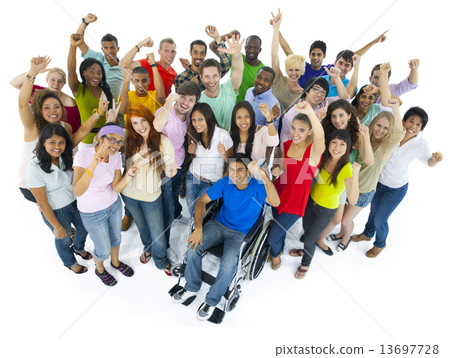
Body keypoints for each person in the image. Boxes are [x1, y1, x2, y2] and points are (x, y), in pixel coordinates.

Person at [171, 153, 280, 321]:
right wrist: (198, 228)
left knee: (229, 264)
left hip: (240, 233)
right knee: (192, 247)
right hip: (219, 224)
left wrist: (264, 175)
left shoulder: (258, 187)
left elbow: (276, 202)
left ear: (248, 172)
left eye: (240, 170)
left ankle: (212, 300)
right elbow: (201, 202)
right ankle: (192, 286)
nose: (235, 174)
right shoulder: (225, 183)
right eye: (232, 170)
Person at [351, 106, 443, 257]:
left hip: (396, 188)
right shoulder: (393, 134)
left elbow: (429, 162)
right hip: (379, 182)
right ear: (403, 121)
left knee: (381, 218)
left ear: (421, 128)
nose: (413, 126)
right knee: (373, 211)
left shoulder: (421, 144)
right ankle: (367, 233)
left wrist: (435, 159)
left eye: (418, 124)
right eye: (411, 121)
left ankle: (380, 244)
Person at [18, 56, 109, 202]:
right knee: (52, 213)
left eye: (56, 107)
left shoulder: (63, 126)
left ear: (62, 109)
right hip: (32, 186)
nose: (52, 111)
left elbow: (79, 134)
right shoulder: (33, 126)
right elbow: (22, 104)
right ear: (39, 109)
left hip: (57, 183)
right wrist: (33, 72)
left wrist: (98, 113)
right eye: (46, 107)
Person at [332, 98, 405, 252]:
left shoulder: (387, 145)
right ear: (373, 124)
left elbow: (398, 132)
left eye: (386, 128)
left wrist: (396, 108)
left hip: (364, 190)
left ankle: (346, 238)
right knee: (341, 216)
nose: (380, 130)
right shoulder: (363, 136)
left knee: (346, 219)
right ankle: (340, 234)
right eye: (378, 125)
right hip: (349, 184)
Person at [288, 130, 360, 278]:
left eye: (342, 144)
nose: (337, 147)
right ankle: (307, 249)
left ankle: (305, 263)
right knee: (306, 231)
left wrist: (356, 174)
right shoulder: (323, 157)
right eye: (334, 142)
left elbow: (352, 200)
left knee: (309, 239)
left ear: (347, 148)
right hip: (310, 201)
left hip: (326, 210)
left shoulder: (347, 168)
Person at [73, 123, 137, 286]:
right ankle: (100, 269)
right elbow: (78, 191)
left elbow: (116, 187)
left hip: (113, 205)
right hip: (92, 212)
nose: (116, 145)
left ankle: (115, 263)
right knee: (102, 248)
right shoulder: (83, 156)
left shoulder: (115, 156)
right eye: (112, 140)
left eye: (119, 142)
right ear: (101, 138)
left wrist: (128, 175)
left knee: (116, 238)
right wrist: (93, 164)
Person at [267, 102, 325, 270]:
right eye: (293, 128)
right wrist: (276, 169)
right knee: (279, 226)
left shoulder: (313, 151)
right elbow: (284, 168)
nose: (295, 133)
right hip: (279, 191)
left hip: (295, 200)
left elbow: (320, 138)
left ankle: (275, 253)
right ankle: (279, 246)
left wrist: (311, 113)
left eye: (301, 130)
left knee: (272, 236)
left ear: (309, 132)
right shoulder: (287, 145)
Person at [26, 124, 91, 274]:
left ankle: (78, 248)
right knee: (62, 238)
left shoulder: (65, 156)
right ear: (43, 142)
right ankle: (70, 263)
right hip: (56, 211)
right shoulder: (34, 167)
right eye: (52, 142)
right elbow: (42, 203)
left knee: (84, 227)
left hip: (74, 203)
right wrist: (57, 227)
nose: (57, 146)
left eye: (61, 142)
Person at [121, 104, 177, 274]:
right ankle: (147, 248)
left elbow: (170, 165)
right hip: (128, 194)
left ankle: (161, 259)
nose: (140, 126)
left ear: (150, 119)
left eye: (143, 120)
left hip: (151, 196)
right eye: (135, 123)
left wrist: (170, 170)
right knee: (141, 225)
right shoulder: (129, 139)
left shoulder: (162, 141)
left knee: (158, 232)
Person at [315, 99, 374, 255]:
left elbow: (369, 160)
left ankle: (326, 238)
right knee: (324, 212)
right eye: (333, 116)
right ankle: (315, 236)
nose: (337, 120)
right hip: (324, 175)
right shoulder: (328, 129)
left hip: (342, 179)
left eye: (341, 115)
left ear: (349, 115)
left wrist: (366, 135)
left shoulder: (357, 135)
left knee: (337, 219)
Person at [153, 82, 201, 237]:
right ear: (177, 96)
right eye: (182, 97)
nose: (185, 102)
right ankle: (165, 233)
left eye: (191, 100)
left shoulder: (191, 117)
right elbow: (157, 127)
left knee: (174, 193)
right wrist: (169, 101)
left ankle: (176, 213)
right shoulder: (165, 111)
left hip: (179, 163)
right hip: (165, 167)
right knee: (166, 199)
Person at [278, 27, 388, 88]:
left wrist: (374, 42)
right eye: (313, 54)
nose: (315, 57)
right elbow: (287, 50)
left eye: (319, 54)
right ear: (309, 55)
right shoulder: (302, 67)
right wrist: (276, 28)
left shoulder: (330, 70)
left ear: (324, 56)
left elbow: (353, 56)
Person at [185, 103, 233, 218]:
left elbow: (232, 162)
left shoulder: (223, 135)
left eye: (200, 119)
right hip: (192, 177)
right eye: (194, 120)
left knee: (198, 215)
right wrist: (192, 152)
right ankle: (193, 233)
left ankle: (195, 234)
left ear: (208, 117)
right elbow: (199, 156)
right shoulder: (195, 133)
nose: (196, 124)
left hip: (210, 183)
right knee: (193, 214)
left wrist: (224, 153)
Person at [280, 70, 350, 146]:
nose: (319, 94)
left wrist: (336, 78)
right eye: (316, 89)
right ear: (307, 91)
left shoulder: (324, 104)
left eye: (323, 92)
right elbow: (285, 144)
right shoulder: (292, 114)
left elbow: (345, 100)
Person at [68, 33, 114, 147]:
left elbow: (113, 117)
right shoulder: (78, 89)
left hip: (104, 139)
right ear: (84, 73)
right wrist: (73, 46)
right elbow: (71, 71)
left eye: (99, 72)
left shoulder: (106, 92)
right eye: (92, 71)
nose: (96, 76)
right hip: (85, 140)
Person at [10, 66, 82, 133]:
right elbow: (14, 83)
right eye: (52, 80)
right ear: (47, 80)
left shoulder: (70, 103)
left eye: (60, 81)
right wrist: (35, 71)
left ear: (64, 83)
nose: (56, 84)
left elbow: (75, 131)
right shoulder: (38, 92)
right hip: (39, 137)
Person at [198, 34, 244, 130]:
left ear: (219, 75)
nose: (211, 81)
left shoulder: (229, 88)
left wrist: (236, 54)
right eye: (207, 77)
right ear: (201, 77)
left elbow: (238, 70)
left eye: (214, 76)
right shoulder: (198, 99)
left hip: (231, 141)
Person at [75, 13, 123, 101]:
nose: (109, 51)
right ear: (102, 49)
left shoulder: (124, 66)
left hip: (117, 111)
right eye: (105, 48)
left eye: (112, 47)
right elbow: (78, 41)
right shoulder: (97, 58)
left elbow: (127, 93)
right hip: (98, 107)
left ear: (118, 49)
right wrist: (85, 22)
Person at [229, 101, 279, 179]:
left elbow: (274, 141)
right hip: (239, 178)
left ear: (252, 117)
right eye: (239, 117)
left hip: (259, 177)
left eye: (247, 116)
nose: (243, 121)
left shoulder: (260, 130)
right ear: (234, 119)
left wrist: (268, 118)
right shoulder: (230, 133)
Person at [174, 25, 232, 91]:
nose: (198, 56)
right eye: (195, 52)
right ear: (190, 52)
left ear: (205, 54)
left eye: (202, 53)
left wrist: (217, 37)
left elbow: (226, 63)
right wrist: (190, 86)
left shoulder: (211, 72)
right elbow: (180, 99)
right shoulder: (181, 78)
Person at [270, 10, 305, 114]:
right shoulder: (278, 79)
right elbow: (274, 54)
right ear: (286, 69)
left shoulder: (303, 93)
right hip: (268, 124)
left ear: (302, 71)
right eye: (290, 69)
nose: (293, 73)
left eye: (297, 70)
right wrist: (276, 28)